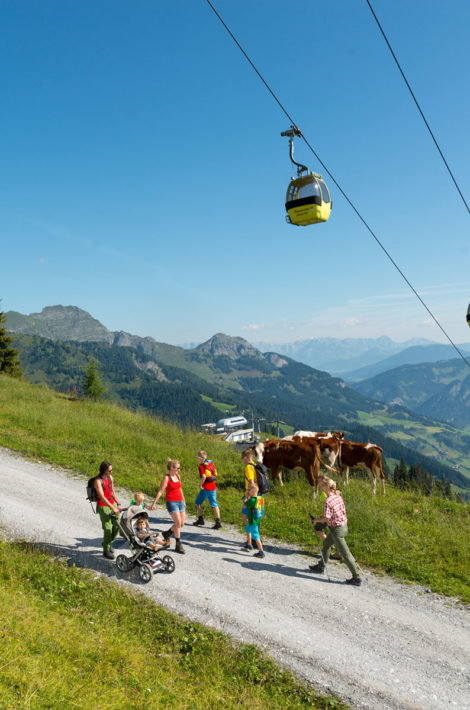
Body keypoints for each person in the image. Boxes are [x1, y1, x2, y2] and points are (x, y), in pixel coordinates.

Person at [309, 475, 361, 586]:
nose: (320, 488)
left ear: (327, 486)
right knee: (326, 545)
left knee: (345, 553)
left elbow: (326, 518)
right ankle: (320, 567)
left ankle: (356, 578)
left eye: (321, 486)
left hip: (337, 530)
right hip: (343, 526)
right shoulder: (337, 496)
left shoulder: (328, 501)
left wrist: (314, 520)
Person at [150, 459, 186, 554]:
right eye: (177, 468)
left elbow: (180, 489)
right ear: (171, 468)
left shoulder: (178, 476)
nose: (179, 469)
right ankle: (178, 544)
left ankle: (168, 533)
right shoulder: (166, 478)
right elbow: (161, 491)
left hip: (180, 501)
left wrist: (184, 500)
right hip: (171, 502)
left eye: (179, 468)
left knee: (181, 523)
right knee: (178, 523)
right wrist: (154, 503)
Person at [94, 460, 122, 559]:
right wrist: (112, 507)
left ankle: (107, 542)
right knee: (108, 529)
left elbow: (112, 492)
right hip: (103, 506)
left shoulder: (110, 478)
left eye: (111, 470)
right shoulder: (98, 481)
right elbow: (102, 497)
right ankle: (106, 550)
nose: (111, 472)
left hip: (112, 504)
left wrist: (118, 504)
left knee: (117, 526)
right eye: (109, 471)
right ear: (104, 470)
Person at [193, 450, 222, 529]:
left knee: (198, 503)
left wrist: (200, 484)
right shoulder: (210, 464)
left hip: (206, 487)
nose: (197, 459)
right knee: (214, 504)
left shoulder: (201, 466)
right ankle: (218, 521)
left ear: (201, 458)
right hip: (213, 487)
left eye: (197, 457)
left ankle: (200, 519)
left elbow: (204, 477)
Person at [243, 480, 265, 558]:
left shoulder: (251, 500)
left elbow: (244, 506)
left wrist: (246, 498)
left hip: (253, 522)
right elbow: (261, 508)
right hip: (256, 519)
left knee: (256, 537)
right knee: (247, 529)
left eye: (249, 490)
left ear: (253, 491)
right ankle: (249, 545)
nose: (248, 491)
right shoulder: (259, 498)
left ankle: (261, 551)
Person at [241, 449, 258, 550]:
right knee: (253, 517)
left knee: (246, 517)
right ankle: (253, 539)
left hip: (251, 495)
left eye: (243, 458)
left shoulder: (248, 467)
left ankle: (250, 541)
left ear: (246, 457)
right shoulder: (255, 465)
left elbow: (251, 482)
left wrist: (248, 495)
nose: (242, 460)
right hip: (257, 495)